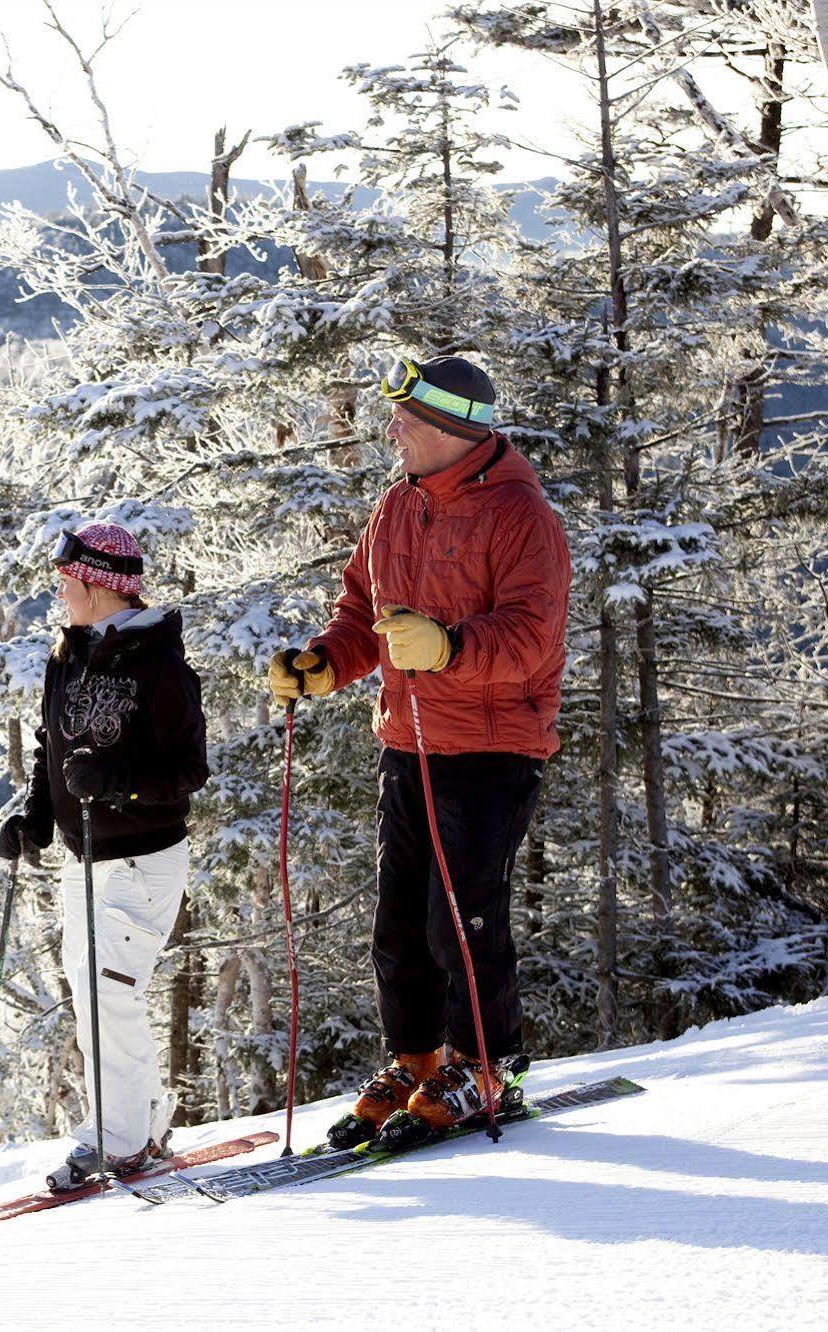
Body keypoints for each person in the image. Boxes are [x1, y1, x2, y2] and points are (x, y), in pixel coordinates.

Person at [268, 354, 571, 1145]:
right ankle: (418, 1062)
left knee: (460, 920)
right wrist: (324, 664)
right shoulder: (395, 507)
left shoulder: (521, 516)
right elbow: (361, 611)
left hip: (494, 746)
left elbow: (532, 638)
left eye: (406, 419)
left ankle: (483, 1068)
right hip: (409, 741)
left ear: (449, 429)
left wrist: (446, 646)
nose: (393, 430)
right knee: (398, 924)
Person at [0, 520, 211, 1190]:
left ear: (98, 584)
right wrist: (32, 816)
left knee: (108, 994)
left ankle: (116, 1140)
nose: (58, 591)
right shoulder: (70, 652)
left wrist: (117, 785)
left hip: (141, 860)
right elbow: (48, 748)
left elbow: (187, 772)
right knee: (96, 1000)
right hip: (81, 857)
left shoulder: (160, 665)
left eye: (66, 580)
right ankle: (139, 1125)